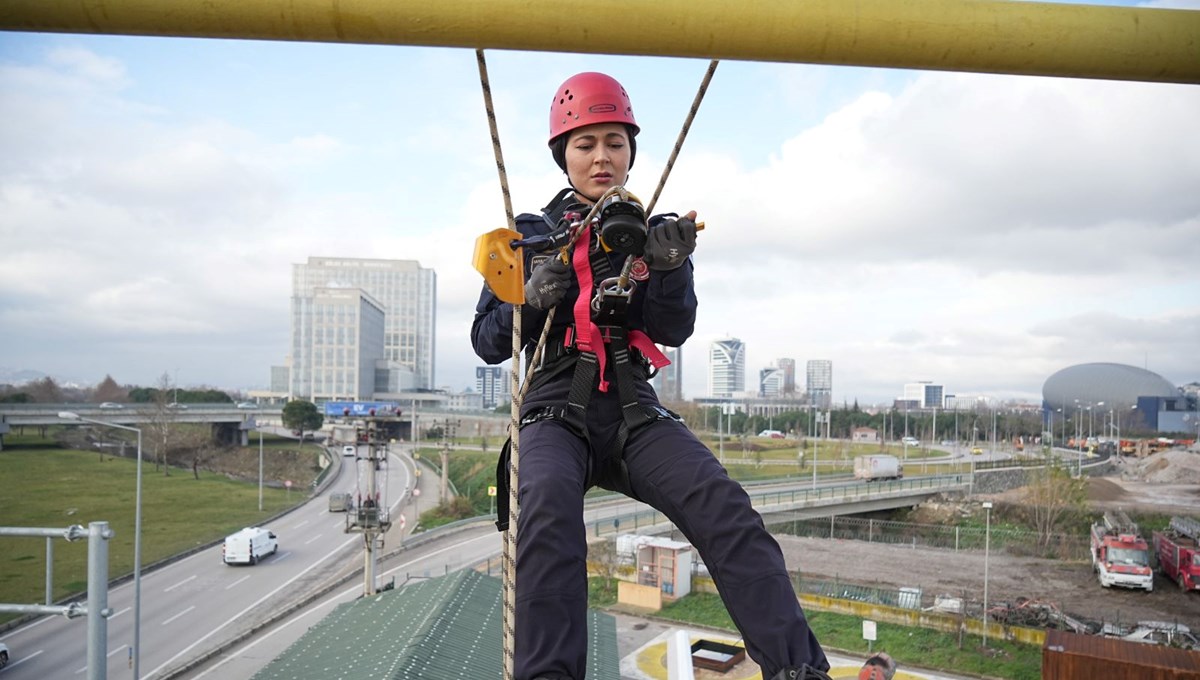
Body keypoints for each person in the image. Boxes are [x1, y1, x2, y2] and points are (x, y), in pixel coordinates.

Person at [472, 72, 882, 680]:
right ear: (564, 155)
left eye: (615, 141)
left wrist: (668, 266)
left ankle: (799, 671)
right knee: (548, 513)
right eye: (586, 144)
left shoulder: (648, 232)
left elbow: (674, 328)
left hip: (633, 405)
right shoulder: (527, 238)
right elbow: (486, 343)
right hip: (555, 404)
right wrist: (529, 299)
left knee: (725, 508)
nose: (602, 157)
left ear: (631, 151)